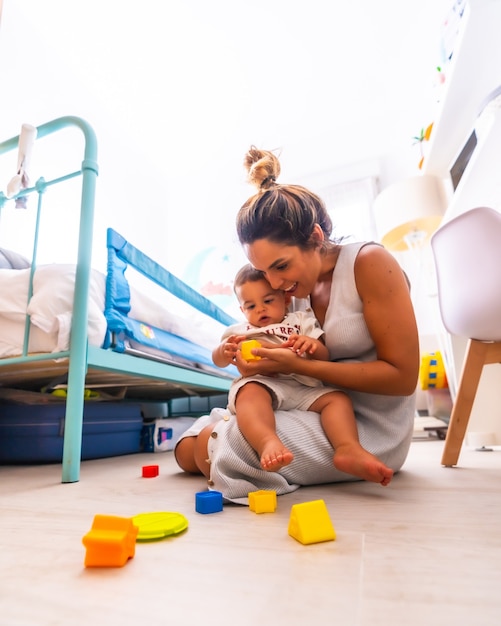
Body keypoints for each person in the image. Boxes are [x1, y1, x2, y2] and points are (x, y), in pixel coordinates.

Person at [175, 146, 419, 504]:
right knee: (188, 443)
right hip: (303, 405)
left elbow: (402, 379)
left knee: (233, 439)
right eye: (265, 271)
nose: (274, 284)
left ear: (316, 238)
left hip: (364, 427)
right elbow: (282, 353)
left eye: (281, 266)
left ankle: (227, 445)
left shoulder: (369, 263)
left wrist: (300, 365)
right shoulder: (292, 291)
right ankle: (222, 441)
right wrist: (260, 363)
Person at [181, 262, 394, 483]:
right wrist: (223, 352)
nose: (260, 309)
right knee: (250, 393)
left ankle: (348, 447)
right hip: (263, 383)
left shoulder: (300, 321)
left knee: (337, 400)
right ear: (242, 310)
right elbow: (219, 360)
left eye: (268, 301)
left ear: (285, 299)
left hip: (302, 385)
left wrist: (310, 344)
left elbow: (323, 355)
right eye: (251, 306)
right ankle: (267, 441)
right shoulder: (239, 331)